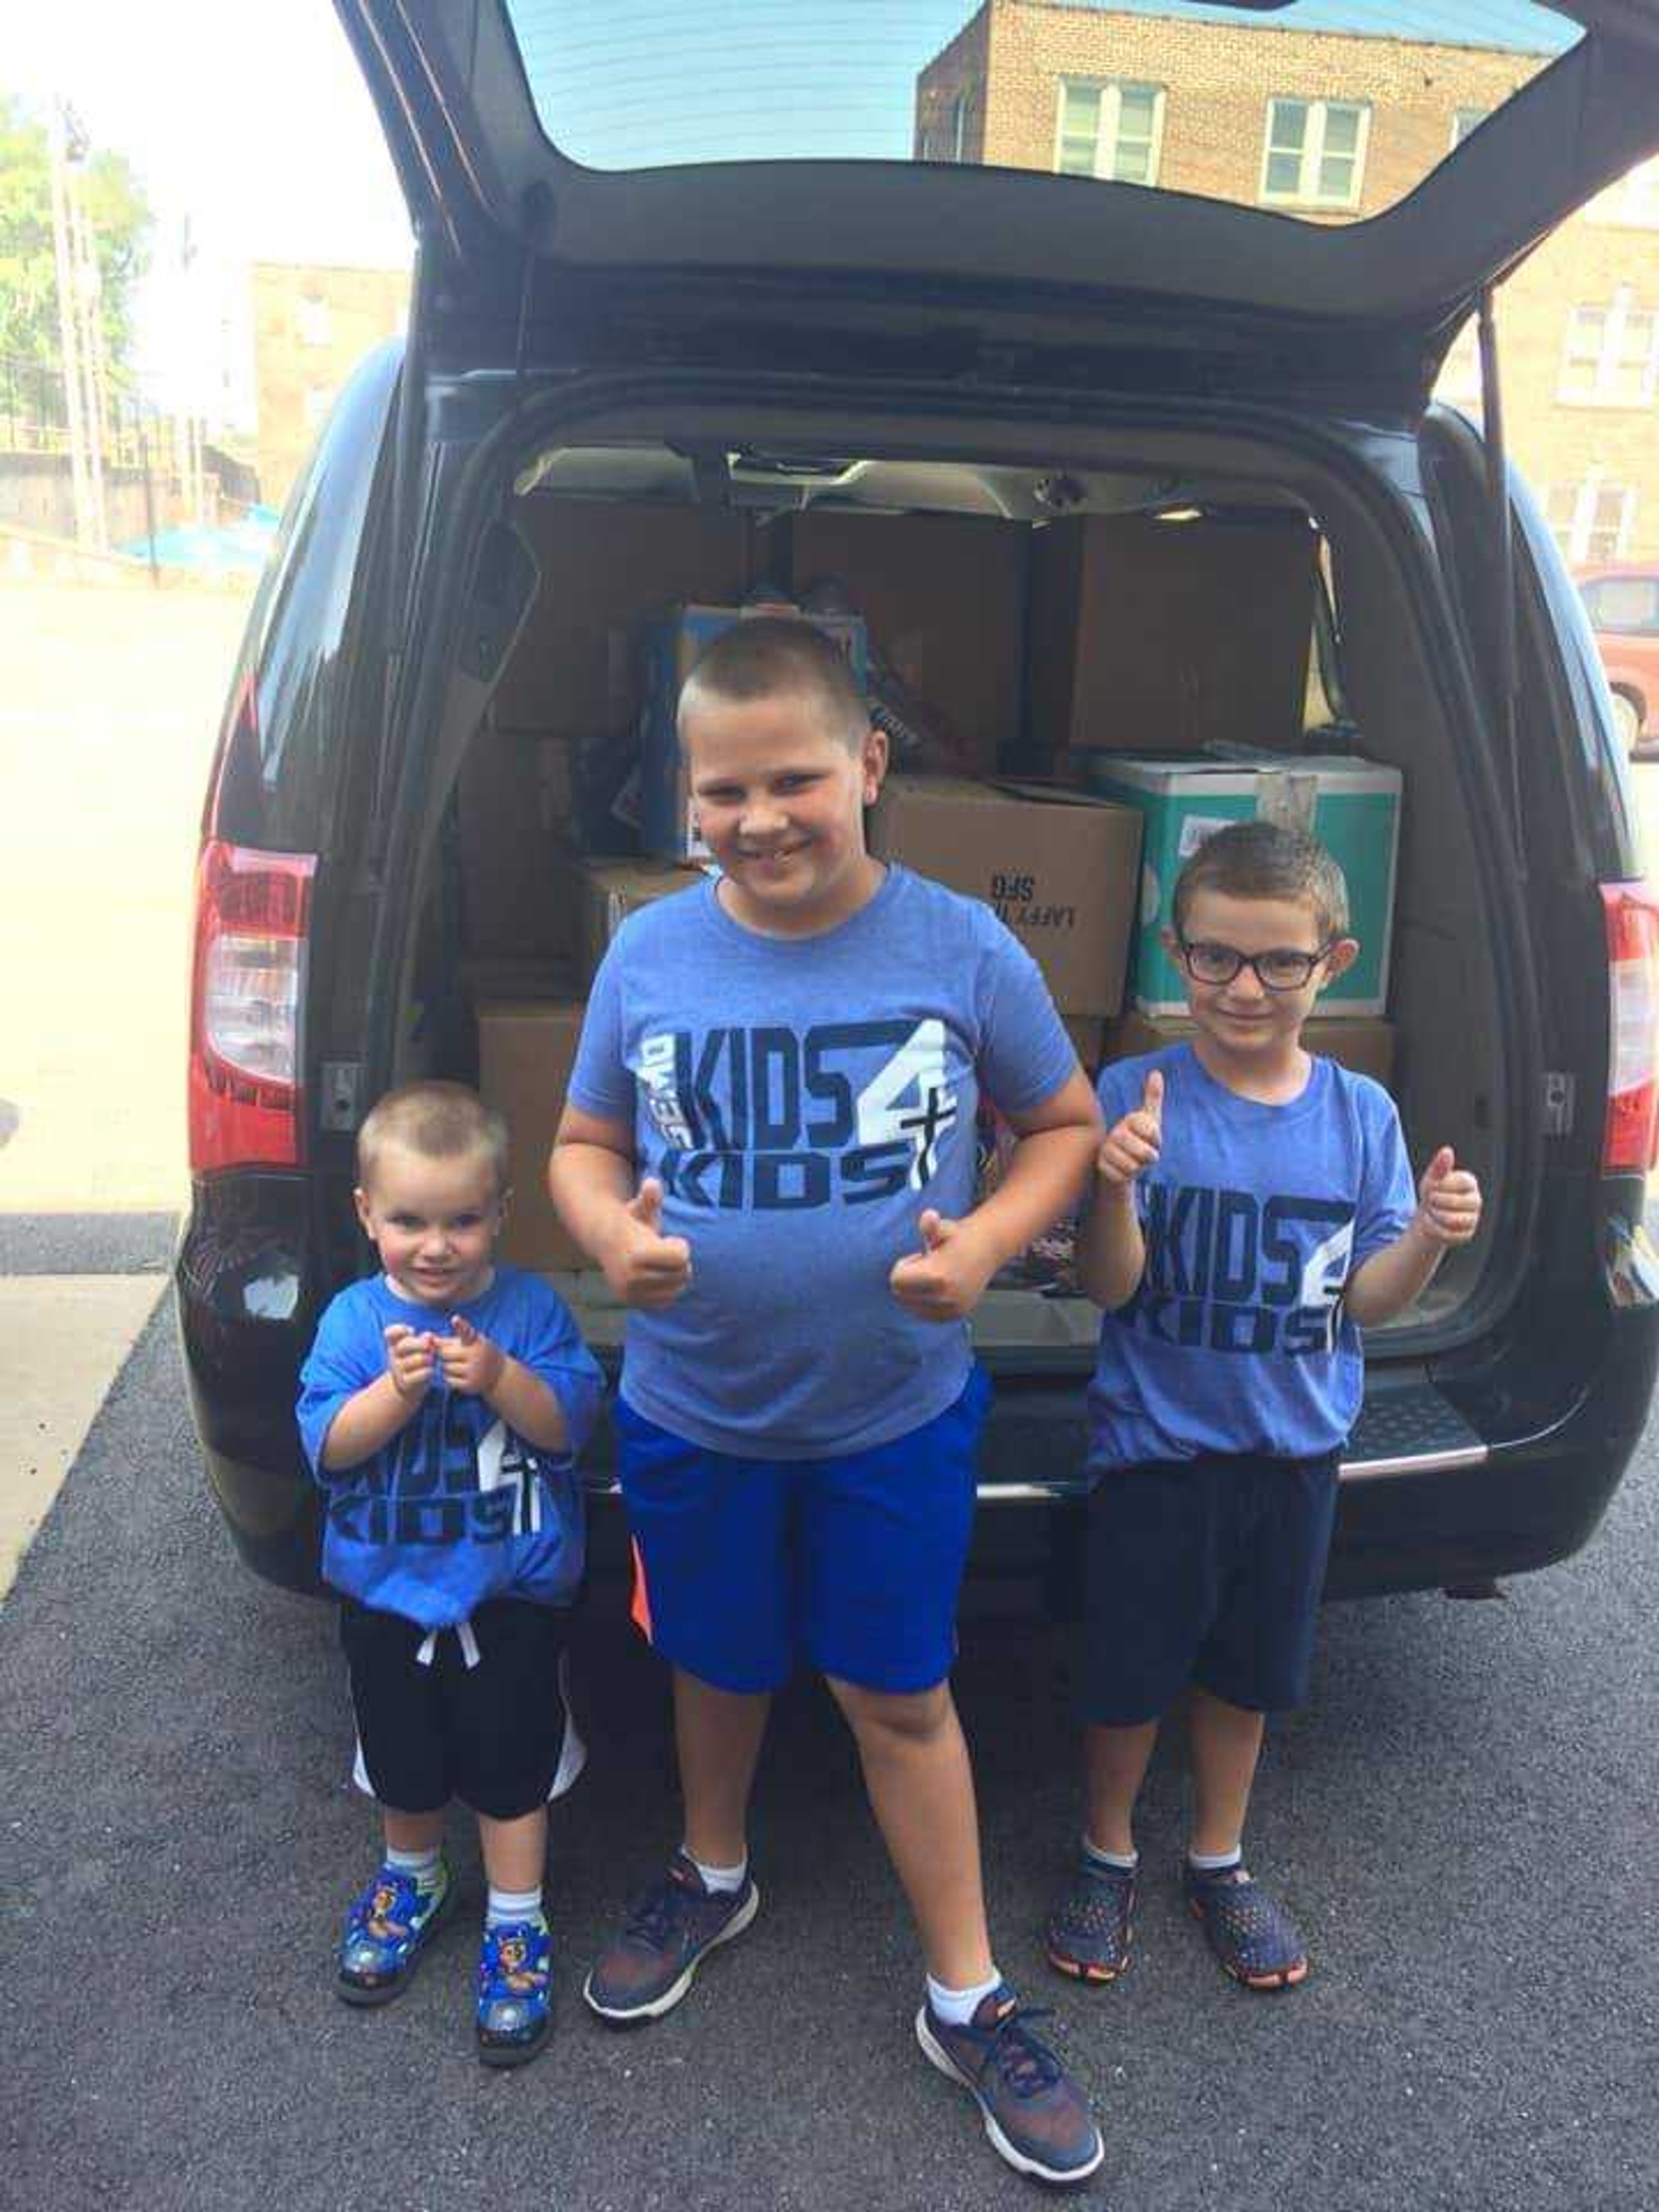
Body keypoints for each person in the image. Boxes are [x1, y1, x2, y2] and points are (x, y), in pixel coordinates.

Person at [549, 617, 1106, 2186]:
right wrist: (606, 1234)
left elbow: (1059, 1121)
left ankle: (965, 1991)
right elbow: (583, 1144)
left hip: (894, 1418)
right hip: (691, 1411)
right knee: (714, 1666)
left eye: (794, 777)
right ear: (686, 796)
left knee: (897, 1692)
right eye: (720, 791)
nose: (757, 819)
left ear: (868, 766)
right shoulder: (650, 952)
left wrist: (994, 1239)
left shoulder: (957, 947)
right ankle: (711, 1871)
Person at [1045, 820, 1483, 1995]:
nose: (1245, 987)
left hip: (1293, 1455)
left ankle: (1220, 1860)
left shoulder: (1359, 1116)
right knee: (1129, 1675)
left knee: (1251, 1675)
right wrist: (1115, 1186)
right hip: (1157, 1453)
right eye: (1215, 958)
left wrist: (1431, 1243)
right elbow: (1109, 1287)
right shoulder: (1134, 1090)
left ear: (1331, 961)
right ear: (1172, 954)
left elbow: (1371, 1305)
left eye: (1278, 962)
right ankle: (1106, 1850)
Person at [296, 1080, 602, 2066]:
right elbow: (329, 1449)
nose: (437, 1245)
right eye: (411, 1220)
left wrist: (501, 1378)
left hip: (506, 1596)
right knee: (403, 1754)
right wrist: (396, 1390)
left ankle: (518, 1920)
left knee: (513, 1768)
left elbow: (570, 1430)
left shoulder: (532, 1308)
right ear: (367, 1216)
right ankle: (412, 1872)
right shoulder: (351, 1323)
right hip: (388, 1597)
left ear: (501, 1215)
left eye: (464, 1220)